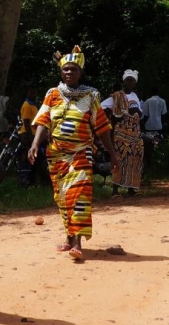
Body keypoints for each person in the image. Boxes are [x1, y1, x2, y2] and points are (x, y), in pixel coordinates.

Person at [28, 47, 117, 262]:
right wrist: (34, 145)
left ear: (80, 72)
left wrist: (112, 153)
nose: (69, 72)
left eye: (73, 69)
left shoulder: (91, 95)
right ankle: (69, 236)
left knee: (79, 194)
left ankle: (77, 243)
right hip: (56, 155)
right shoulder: (52, 94)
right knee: (62, 197)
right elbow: (43, 120)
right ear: (61, 72)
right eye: (65, 69)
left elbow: (102, 127)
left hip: (81, 152)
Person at [102, 70, 144, 196]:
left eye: (132, 80)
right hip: (121, 133)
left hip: (135, 133)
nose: (130, 82)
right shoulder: (116, 96)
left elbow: (141, 113)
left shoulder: (135, 96)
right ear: (124, 81)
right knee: (118, 159)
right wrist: (116, 115)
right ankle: (115, 190)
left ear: (135, 83)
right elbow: (102, 107)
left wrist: (136, 110)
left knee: (135, 160)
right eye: (128, 80)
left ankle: (131, 188)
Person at [16, 87, 41, 187]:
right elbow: (26, 123)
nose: (34, 95)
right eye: (31, 93)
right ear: (27, 93)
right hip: (27, 135)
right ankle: (25, 181)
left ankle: (33, 180)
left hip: (33, 134)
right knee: (27, 159)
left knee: (35, 159)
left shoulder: (33, 105)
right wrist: (32, 139)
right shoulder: (26, 105)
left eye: (35, 93)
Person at [141, 90, 167, 168]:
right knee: (156, 145)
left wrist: (143, 126)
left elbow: (145, 115)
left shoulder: (148, 101)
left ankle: (148, 165)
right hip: (158, 127)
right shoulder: (162, 101)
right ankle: (156, 164)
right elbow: (164, 114)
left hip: (148, 127)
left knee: (147, 147)